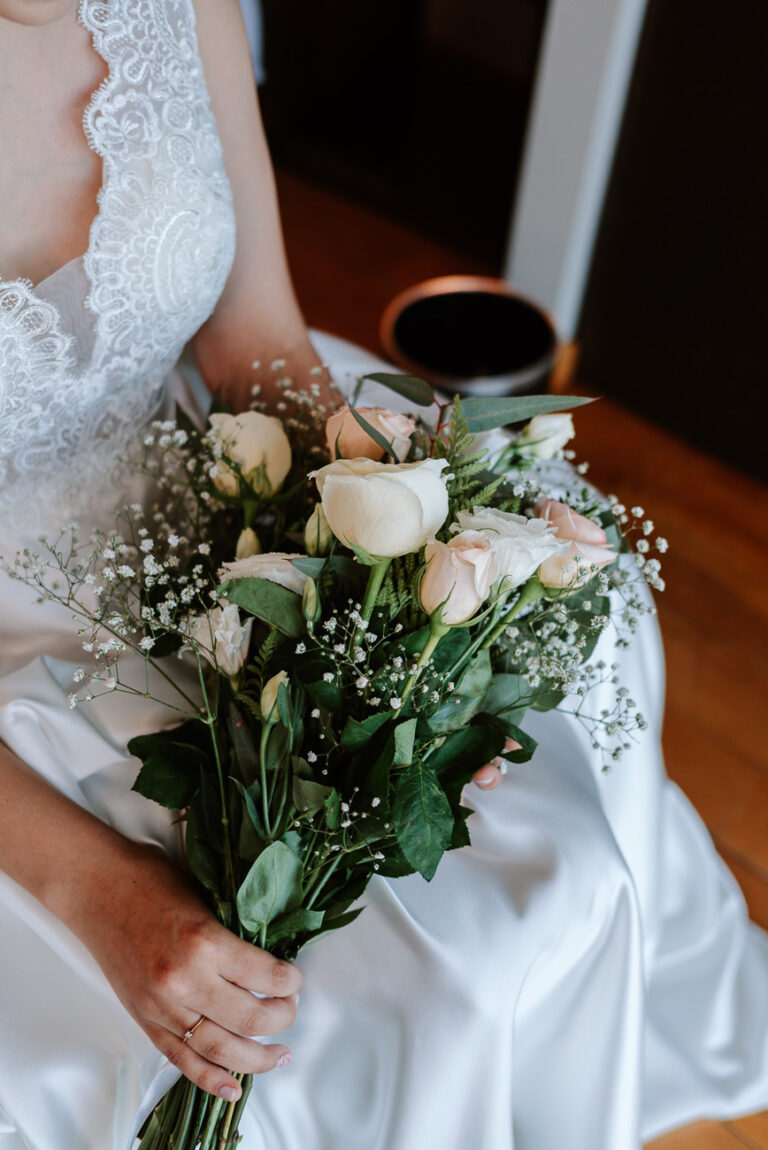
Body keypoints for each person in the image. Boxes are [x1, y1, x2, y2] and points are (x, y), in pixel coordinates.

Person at [0, 1, 766, 1148]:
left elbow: (254, 340)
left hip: (209, 491)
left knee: (569, 784)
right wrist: (98, 891)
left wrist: (425, 583)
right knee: (407, 998)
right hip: (28, 678)